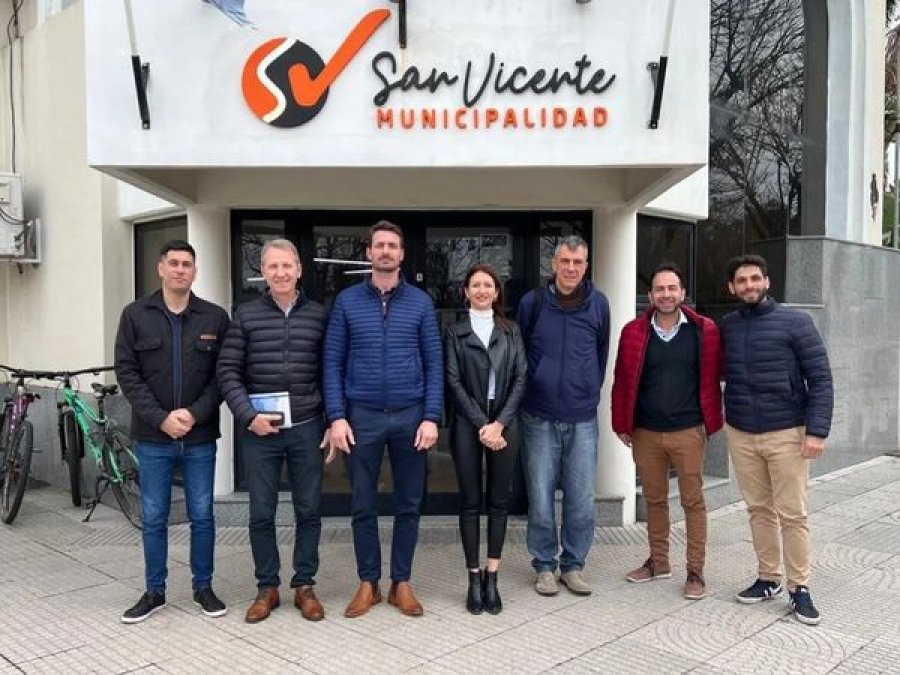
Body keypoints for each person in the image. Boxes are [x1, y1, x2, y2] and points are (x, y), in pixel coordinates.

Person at [324, 220, 443, 618]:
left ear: (402, 254)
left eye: (393, 245)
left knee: (409, 503)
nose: (386, 251)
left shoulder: (421, 303)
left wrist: (431, 416)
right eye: (380, 245)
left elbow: (434, 363)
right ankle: (368, 583)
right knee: (363, 503)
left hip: (411, 417)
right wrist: (337, 416)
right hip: (362, 418)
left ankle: (401, 583)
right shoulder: (346, 302)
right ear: (369, 253)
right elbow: (333, 362)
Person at [114, 239, 230, 624]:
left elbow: (223, 376)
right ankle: (155, 590)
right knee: (153, 516)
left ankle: (203, 587)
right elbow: (127, 374)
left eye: (188, 264)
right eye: (174, 263)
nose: (181, 270)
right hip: (152, 437)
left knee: (202, 514)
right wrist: (161, 417)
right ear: (161, 268)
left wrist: (194, 415)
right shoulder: (135, 316)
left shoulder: (214, 318)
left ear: (195, 272)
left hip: (199, 437)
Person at [217, 239, 330, 624]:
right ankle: (267, 587)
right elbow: (227, 372)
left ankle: (304, 584)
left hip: (306, 427)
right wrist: (248, 415)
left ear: (299, 269)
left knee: (309, 509)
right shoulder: (245, 316)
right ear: (262, 272)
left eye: (287, 266)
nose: (280, 273)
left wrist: (332, 422)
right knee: (261, 512)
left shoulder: (318, 315)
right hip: (260, 431)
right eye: (272, 267)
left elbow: (328, 373)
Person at [720, 254, 833, 625]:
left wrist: (817, 430)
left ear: (767, 282)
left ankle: (799, 588)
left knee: (793, 513)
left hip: (787, 431)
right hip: (741, 431)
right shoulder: (729, 326)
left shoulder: (796, 322)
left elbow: (820, 378)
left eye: (755, 278)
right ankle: (768, 577)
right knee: (758, 509)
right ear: (732, 287)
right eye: (742, 280)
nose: (749, 285)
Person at [611, 263, 722, 600]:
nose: (666, 294)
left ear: (682, 293)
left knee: (693, 501)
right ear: (650, 296)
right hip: (646, 432)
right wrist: (621, 424)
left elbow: (716, 377)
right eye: (659, 289)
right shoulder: (633, 331)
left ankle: (695, 571)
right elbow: (621, 381)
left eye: (672, 288)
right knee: (655, 501)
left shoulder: (704, 330)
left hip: (688, 430)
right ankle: (659, 562)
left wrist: (711, 421)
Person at [516, 235, 610, 597]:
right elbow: (520, 354)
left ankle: (573, 565)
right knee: (539, 496)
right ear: (553, 264)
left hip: (582, 417)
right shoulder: (533, 303)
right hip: (538, 416)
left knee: (582, 498)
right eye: (565, 261)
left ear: (586, 266)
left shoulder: (599, 304)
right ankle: (543, 565)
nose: (571, 268)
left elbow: (601, 354)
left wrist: (587, 390)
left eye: (578, 262)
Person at [445, 264, 527, 615]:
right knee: (469, 502)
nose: (481, 290)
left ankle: (492, 576)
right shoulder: (453, 332)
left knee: (498, 502)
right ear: (465, 291)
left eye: (487, 285)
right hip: (468, 423)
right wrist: (483, 424)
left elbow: (522, 377)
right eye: (475, 285)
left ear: (496, 292)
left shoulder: (511, 331)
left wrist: (500, 423)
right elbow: (452, 380)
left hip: (506, 423)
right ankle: (472, 577)